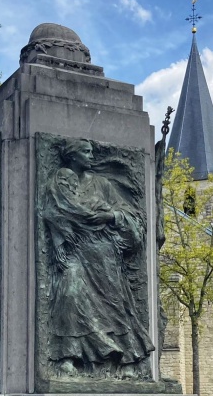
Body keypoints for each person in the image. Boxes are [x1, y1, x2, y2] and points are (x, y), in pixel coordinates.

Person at [42, 137, 154, 378]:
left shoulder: (103, 185)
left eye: (92, 152)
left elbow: (128, 214)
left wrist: (110, 217)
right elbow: (53, 211)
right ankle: (68, 357)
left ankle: (127, 360)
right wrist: (61, 236)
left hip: (103, 251)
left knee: (114, 305)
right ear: (72, 156)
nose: (91, 156)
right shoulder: (60, 181)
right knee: (70, 294)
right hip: (75, 249)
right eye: (86, 152)